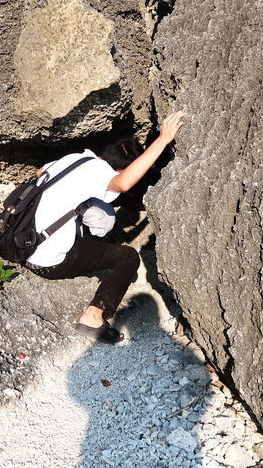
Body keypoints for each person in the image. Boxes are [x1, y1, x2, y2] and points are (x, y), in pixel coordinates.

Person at [24, 111, 186, 344]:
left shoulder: (74, 159)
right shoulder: (101, 174)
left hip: (25, 243)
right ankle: (93, 316)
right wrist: (163, 140)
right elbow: (123, 183)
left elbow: (41, 173)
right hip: (47, 262)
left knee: (90, 211)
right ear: (120, 168)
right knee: (127, 258)